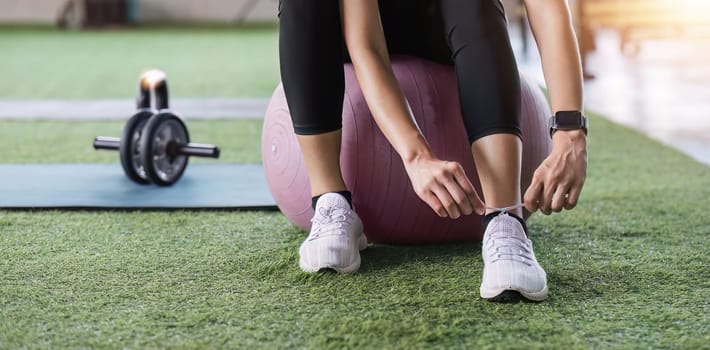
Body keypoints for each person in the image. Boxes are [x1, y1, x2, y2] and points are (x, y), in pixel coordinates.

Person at [277, 0, 588, 302]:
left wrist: (570, 132)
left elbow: (547, 7)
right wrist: (416, 155)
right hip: (353, 31)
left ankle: (504, 220)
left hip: (447, 25)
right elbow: (366, 46)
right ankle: (330, 201)